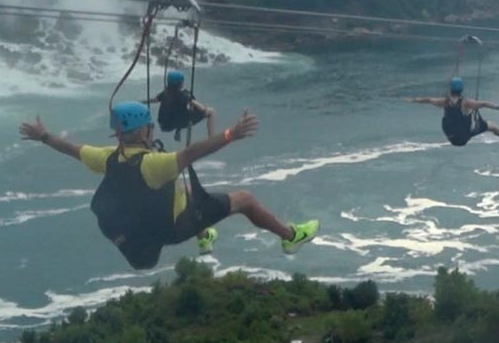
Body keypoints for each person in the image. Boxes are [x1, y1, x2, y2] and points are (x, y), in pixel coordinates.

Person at [18, 102, 318, 269]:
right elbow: (193, 152)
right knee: (245, 199)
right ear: (146, 130)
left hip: (143, 228)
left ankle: (204, 237)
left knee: (185, 190)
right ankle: (290, 236)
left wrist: (43, 135)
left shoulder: (107, 157)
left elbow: (70, 148)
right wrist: (231, 134)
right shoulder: (154, 164)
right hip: (172, 228)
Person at [407, 77, 499, 146]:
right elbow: (484, 104)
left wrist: (413, 100)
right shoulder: (466, 103)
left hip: (450, 135)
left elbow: (428, 100)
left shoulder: (444, 102)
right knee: (492, 126)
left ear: (451, 89)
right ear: (461, 90)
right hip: (462, 137)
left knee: (463, 121)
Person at [148, 69, 215, 141]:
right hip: (177, 122)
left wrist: (141, 102)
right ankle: (212, 139)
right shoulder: (184, 95)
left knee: (178, 111)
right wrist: (194, 101)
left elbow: (154, 100)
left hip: (164, 124)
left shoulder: (165, 93)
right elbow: (202, 109)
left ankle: (178, 130)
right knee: (211, 112)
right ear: (181, 83)